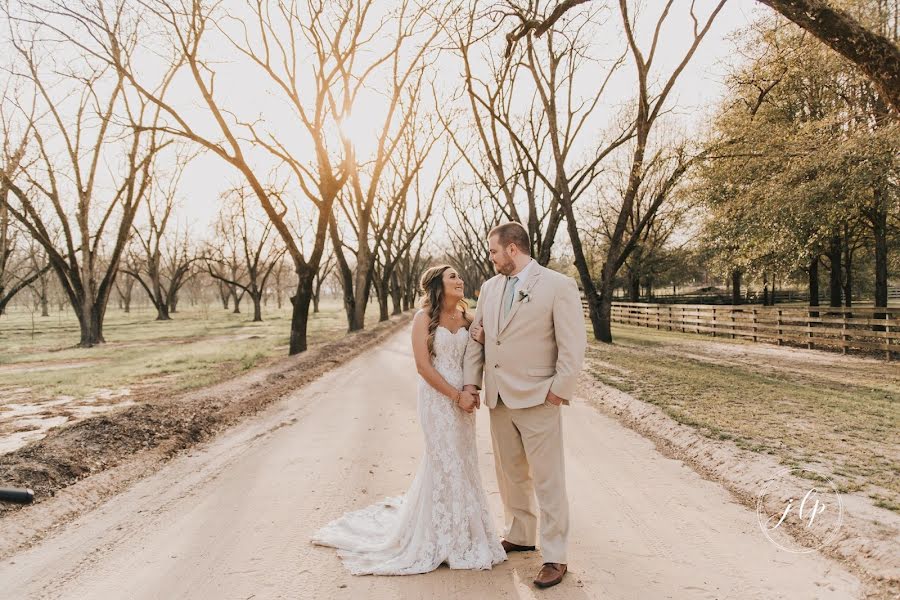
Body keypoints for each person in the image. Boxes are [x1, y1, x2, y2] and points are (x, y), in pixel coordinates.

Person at [311, 265, 506, 575]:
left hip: (465, 400)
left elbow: (477, 357)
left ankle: (465, 534)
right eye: (452, 276)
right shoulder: (423, 319)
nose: (460, 280)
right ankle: (439, 538)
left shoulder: (469, 319)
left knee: (464, 461)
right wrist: (455, 395)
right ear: (438, 285)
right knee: (445, 461)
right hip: (437, 398)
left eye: (458, 276)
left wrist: (472, 386)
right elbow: (422, 367)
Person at [464, 221, 587, 589]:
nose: (491, 258)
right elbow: (477, 339)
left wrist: (558, 390)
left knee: (548, 479)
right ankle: (519, 534)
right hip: (499, 397)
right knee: (510, 473)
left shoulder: (557, 286)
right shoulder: (489, 288)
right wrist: (473, 383)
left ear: (513, 248)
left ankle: (555, 555)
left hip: (539, 397)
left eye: (493, 251)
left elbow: (572, 345)